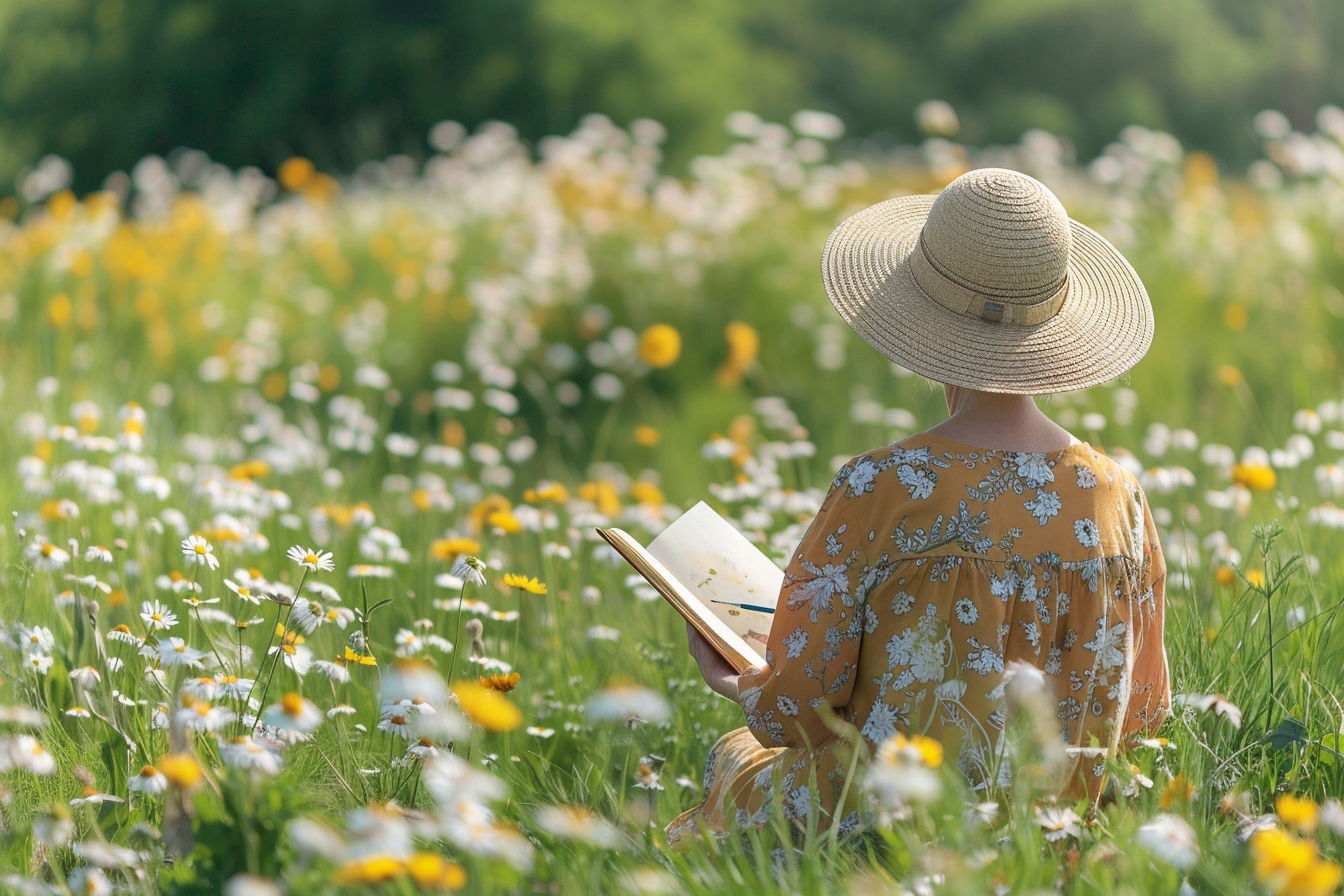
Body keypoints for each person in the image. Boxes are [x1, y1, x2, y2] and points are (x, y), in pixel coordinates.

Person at [667, 167, 1170, 847]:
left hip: (875, 827)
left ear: (922, 316)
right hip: (1047, 838)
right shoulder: (1118, 499)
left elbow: (798, 709)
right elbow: (1140, 710)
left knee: (737, 758)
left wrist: (736, 683)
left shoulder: (883, 486)